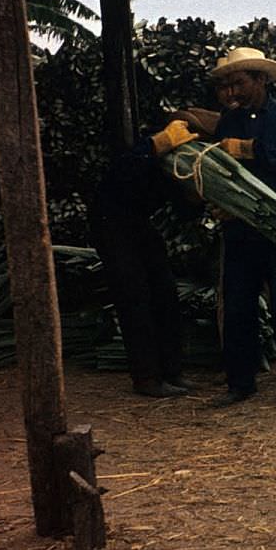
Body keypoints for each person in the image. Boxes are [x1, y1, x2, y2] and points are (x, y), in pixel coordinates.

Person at [184, 47, 276, 410]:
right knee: (238, 306)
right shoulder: (228, 121)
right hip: (240, 226)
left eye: (238, 84)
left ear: (260, 80)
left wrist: (250, 149)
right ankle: (240, 383)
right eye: (225, 87)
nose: (231, 93)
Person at [89, 118, 201, 399]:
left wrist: (199, 197)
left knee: (165, 293)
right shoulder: (152, 142)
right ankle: (146, 377)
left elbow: (184, 210)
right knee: (134, 297)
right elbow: (121, 173)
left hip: (139, 222)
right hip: (111, 222)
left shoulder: (190, 159)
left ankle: (172, 372)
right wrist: (158, 144)